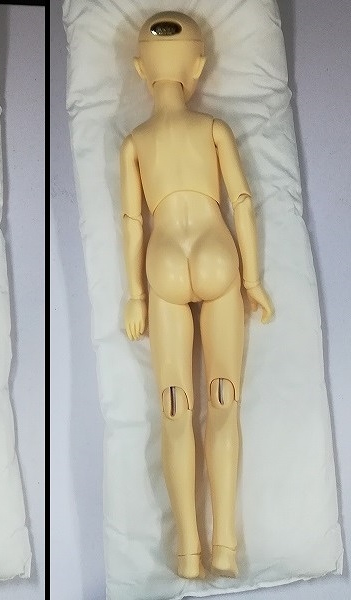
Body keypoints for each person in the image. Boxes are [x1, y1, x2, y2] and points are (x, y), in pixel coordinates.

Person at [120, 11, 273, 579]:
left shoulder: (135, 141)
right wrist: (252, 280)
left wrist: (136, 296)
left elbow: (131, 222)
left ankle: (190, 550)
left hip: (163, 258)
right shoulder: (213, 129)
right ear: (199, 65)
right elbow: (243, 202)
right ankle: (224, 546)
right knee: (224, 401)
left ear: (140, 69)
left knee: (175, 408)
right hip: (215, 250)